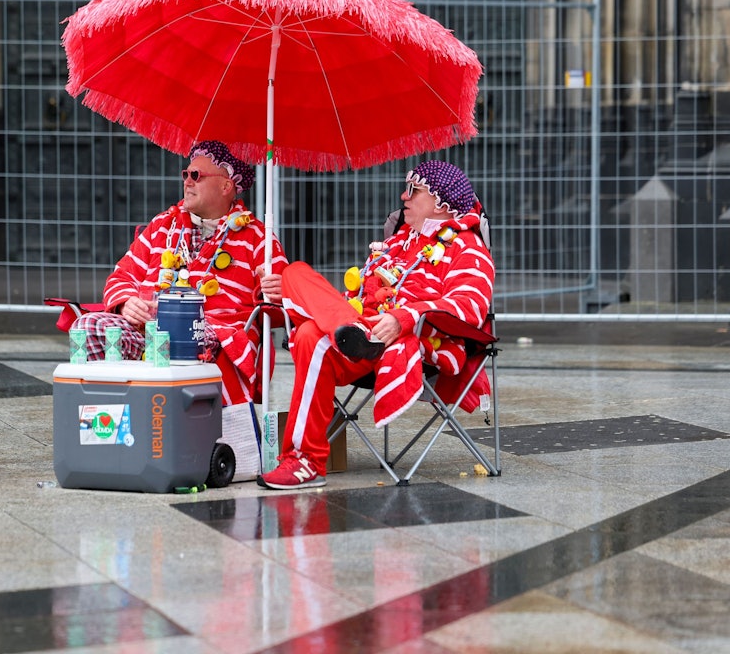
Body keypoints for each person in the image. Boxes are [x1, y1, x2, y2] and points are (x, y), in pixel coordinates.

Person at [258, 160, 495, 489]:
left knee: (313, 333)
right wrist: (293, 294)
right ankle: (342, 329)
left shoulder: (467, 250)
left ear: (442, 202)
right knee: (293, 273)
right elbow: (357, 292)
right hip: (359, 329)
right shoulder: (398, 242)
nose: (403, 196)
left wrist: (404, 317)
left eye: (413, 190)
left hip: (398, 341)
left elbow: (469, 306)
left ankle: (305, 461)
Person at [71, 140, 288, 406]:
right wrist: (127, 303)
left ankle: (164, 418)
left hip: (210, 335)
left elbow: (283, 311)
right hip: (147, 331)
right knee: (87, 326)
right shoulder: (163, 224)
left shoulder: (259, 238)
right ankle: (111, 423)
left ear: (226, 185)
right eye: (186, 174)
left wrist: (277, 293)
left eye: (196, 175)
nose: (187, 181)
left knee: (185, 336)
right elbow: (121, 277)